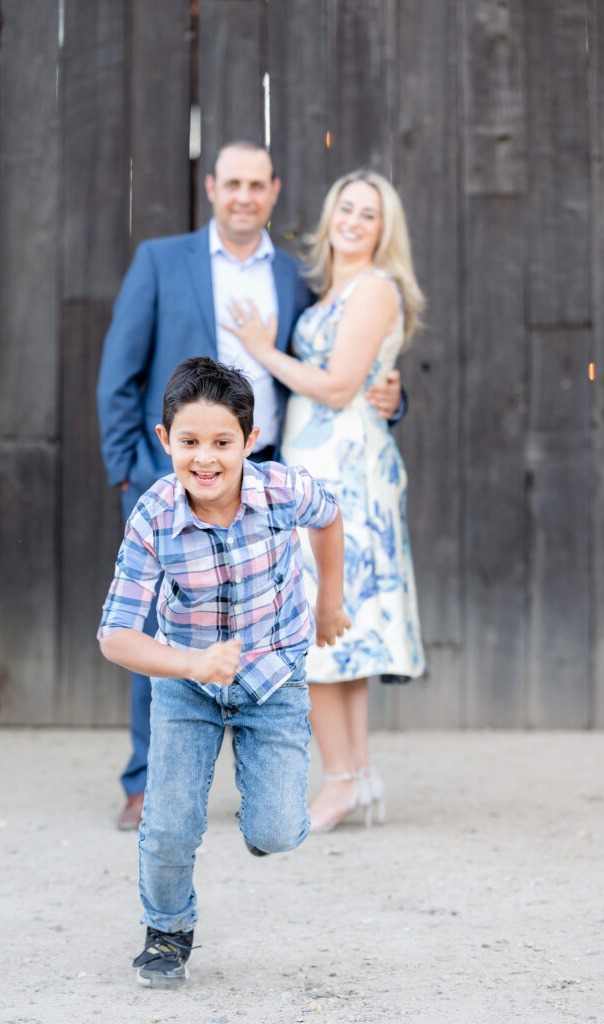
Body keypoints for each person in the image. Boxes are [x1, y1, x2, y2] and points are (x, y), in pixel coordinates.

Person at [96, 142, 406, 828]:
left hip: (267, 474)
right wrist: (130, 471)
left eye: (256, 185)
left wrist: (392, 395)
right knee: (162, 625)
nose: (242, 195)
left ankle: (266, 781)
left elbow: (342, 365)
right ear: (211, 188)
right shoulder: (160, 260)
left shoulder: (297, 277)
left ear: (273, 191)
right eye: (230, 182)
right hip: (179, 470)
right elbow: (118, 373)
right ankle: (146, 783)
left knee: (267, 630)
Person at [97, 357, 349, 985]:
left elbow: (331, 516)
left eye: (221, 442)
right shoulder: (153, 516)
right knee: (170, 825)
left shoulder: (282, 490)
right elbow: (116, 636)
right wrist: (191, 663)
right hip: (187, 685)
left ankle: (263, 808)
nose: (204, 459)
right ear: (165, 441)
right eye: (188, 442)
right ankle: (167, 933)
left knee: (279, 831)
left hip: (273, 676)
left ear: (250, 439)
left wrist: (328, 601)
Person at [225, 168, 426, 833]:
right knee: (332, 630)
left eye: (369, 214)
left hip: (347, 473)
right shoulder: (333, 289)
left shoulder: (372, 289)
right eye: (346, 207)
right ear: (328, 215)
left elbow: (340, 386)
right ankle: (356, 776)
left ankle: (339, 782)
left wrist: (260, 350)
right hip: (321, 465)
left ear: (382, 228)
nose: (353, 221)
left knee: (323, 625)